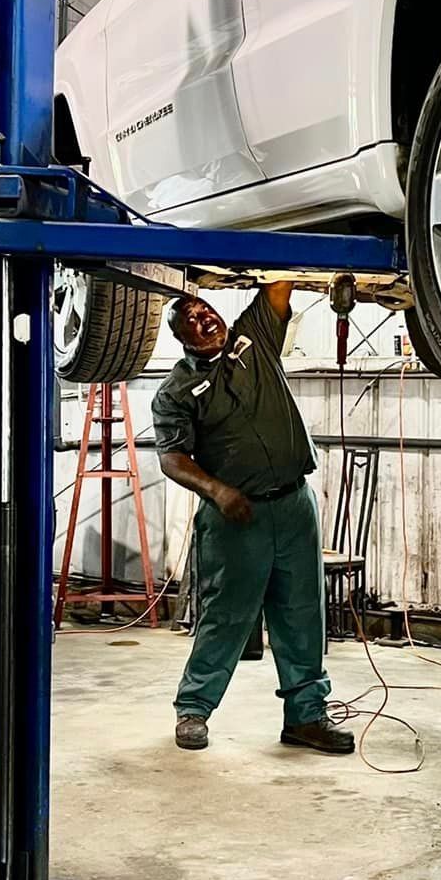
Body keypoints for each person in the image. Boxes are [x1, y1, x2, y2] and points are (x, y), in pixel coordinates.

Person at [152, 283, 355, 755]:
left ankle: (306, 717)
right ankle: (193, 710)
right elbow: (172, 458)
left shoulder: (254, 339)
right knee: (225, 616)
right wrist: (218, 490)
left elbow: (278, 285)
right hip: (236, 516)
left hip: (293, 504)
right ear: (182, 338)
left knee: (303, 614)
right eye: (192, 320)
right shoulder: (176, 390)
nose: (205, 320)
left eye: (207, 311)